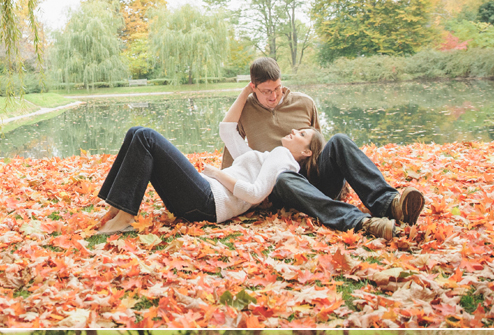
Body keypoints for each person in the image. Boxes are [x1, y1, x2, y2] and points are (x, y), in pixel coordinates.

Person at [95, 100, 400, 239]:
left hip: (209, 198)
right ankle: (117, 209)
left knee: (146, 136)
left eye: (302, 135)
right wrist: (248, 93)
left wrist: (215, 173)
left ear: (307, 152)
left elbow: (254, 194)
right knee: (137, 131)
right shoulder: (268, 155)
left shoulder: (282, 161)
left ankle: (124, 217)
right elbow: (228, 130)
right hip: (202, 196)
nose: (294, 131)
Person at [219, 56, 426, 229]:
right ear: (253, 87)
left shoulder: (304, 103)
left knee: (339, 140)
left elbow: (319, 146)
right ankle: (362, 223)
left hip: (315, 180)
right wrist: (230, 190)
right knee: (282, 178)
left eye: (278, 88)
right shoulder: (245, 110)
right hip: (282, 187)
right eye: (266, 91)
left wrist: (340, 180)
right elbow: (232, 147)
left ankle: (390, 205)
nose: (273, 96)